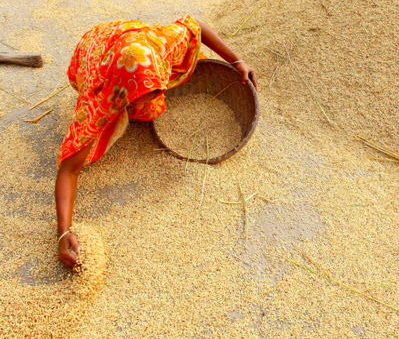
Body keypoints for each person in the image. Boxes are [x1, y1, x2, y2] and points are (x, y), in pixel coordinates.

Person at [55, 15, 257, 270]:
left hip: (131, 44)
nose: (148, 100)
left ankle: (142, 94)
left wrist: (237, 61)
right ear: (121, 92)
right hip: (95, 51)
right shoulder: (97, 101)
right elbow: (68, 169)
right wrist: (63, 233)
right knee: (138, 115)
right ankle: (125, 97)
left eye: (155, 90)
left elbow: (196, 26)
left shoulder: (160, 47)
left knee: (151, 110)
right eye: (138, 97)